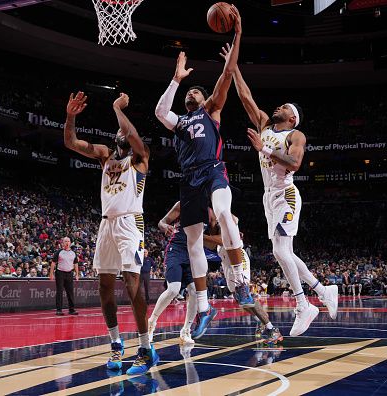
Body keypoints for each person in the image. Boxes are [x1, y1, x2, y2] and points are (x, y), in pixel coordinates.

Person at [222, 44, 338, 336]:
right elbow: (245, 97)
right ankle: (322, 290)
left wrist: (264, 151)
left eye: (284, 108)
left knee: (279, 250)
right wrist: (232, 67)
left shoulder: (295, 134)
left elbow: (296, 163)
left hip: (286, 192)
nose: (278, 108)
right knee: (284, 252)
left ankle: (304, 304)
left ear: (292, 118)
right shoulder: (264, 125)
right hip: (268, 197)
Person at [154, 5, 254, 339]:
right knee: (194, 241)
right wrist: (175, 79)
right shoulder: (179, 122)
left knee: (225, 214)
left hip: (213, 170)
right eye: (190, 91)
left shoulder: (211, 110)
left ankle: (241, 282)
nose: (194, 92)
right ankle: (204, 306)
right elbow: (159, 110)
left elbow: (226, 76)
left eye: (197, 89)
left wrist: (238, 34)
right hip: (189, 180)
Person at [64, 90, 158, 375]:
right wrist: (70, 116)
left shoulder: (140, 158)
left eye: (123, 129)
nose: (121, 131)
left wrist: (118, 108)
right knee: (105, 287)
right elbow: (70, 142)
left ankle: (145, 349)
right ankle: (116, 345)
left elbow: (131, 134)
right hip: (107, 223)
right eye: (118, 129)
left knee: (132, 284)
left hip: (131, 222)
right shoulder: (105, 156)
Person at [203, 211, 283, 345]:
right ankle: (260, 319)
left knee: (245, 295)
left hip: (238, 260)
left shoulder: (226, 216)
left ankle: (272, 329)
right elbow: (211, 244)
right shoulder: (214, 226)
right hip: (227, 262)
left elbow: (225, 236)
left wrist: (198, 236)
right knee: (239, 300)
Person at [148, 201, 199, 345]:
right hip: (176, 250)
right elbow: (161, 222)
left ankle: (186, 330)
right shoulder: (183, 204)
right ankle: (152, 321)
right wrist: (165, 226)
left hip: (193, 253)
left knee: (195, 291)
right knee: (173, 289)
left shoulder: (211, 211)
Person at [50, 237, 80, 316]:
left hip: (69, 273)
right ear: (62, 243)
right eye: (65, 241)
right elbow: (53, 263)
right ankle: (59, 310)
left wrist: (77, 274)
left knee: (70, 292)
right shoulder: (59, 252)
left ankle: (71, 309)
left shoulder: (73, 253)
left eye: (68, 241)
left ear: (70, 243)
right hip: (60, 273)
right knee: (59, 291)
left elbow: (76, 264)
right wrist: (51, 274)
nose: (67, 243)